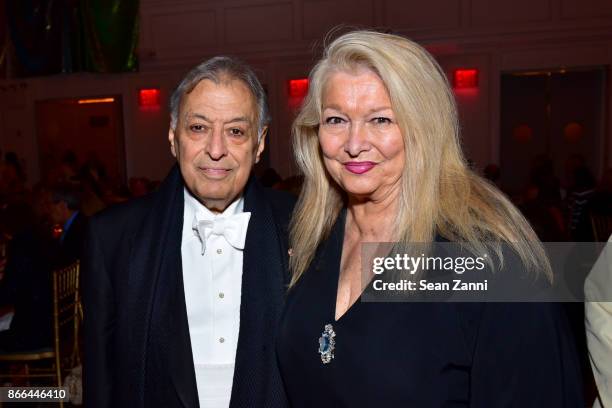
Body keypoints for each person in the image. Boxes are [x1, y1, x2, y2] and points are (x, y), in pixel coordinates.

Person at [276, 30, 583, 406]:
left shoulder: (490, 265)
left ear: (425, 129)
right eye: (336, 120)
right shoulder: (312, 243)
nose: (354, 143)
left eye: (381, 120)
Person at [83, 56, 293, 407]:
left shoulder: (302, 226)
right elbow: (101, 378)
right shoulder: (113, 237)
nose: (215, 150)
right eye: (198, 127)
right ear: (172, 136)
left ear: (259, 144)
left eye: (236, 131)